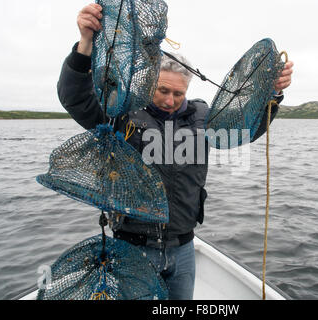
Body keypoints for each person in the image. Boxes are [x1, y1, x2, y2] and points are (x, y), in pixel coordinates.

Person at [58, 3, 294, 300]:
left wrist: (272, 94)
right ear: (149, 84)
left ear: (187, 89)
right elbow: (76, 99)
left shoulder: (204, 117)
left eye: (178, 93)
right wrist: (85, 46)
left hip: (183, 247)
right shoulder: (123, 113)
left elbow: (244, 129)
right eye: (163, 91)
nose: (170, 100)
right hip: (132, 248)